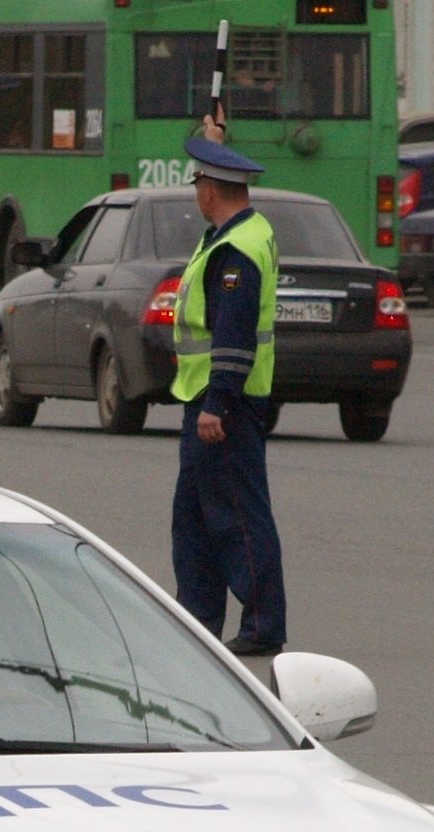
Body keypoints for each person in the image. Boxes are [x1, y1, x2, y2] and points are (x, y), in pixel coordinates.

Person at [168, 117, 285, 658]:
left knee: (237, 515)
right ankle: (197, 620)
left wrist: (218, 401)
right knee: (193, 519)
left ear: (209, 191)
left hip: (225, 408)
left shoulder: (236, 251)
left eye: (198, 184)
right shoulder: (227, 235)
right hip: (204, 405)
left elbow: (234, 333)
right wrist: (213, 145)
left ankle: (263, 624)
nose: (195, 191)